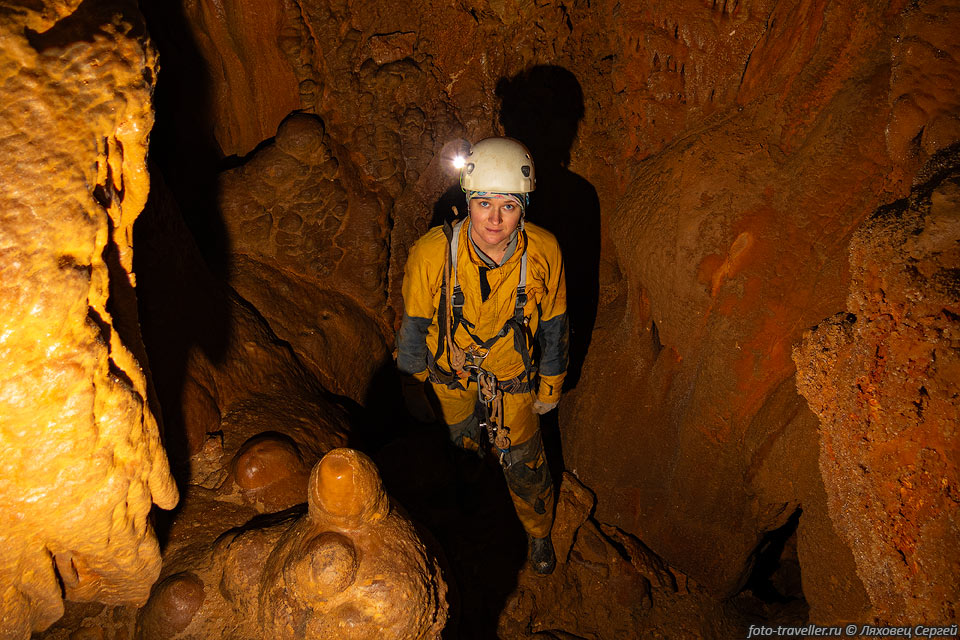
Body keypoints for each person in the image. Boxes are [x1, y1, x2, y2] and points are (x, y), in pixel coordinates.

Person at [396, 137, 568, 575]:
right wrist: (413, 389)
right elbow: (413, 326)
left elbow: (555, 326)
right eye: (484, 203)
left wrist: (550, 386)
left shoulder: (543, 251)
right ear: (468, 201)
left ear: (524, 207)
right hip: (450, 378)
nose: (494, 218)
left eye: (508, 206)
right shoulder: (434, 252)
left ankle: (539, 532)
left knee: (527, 466)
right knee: (461, 450)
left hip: (512, 379)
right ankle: (472, 504)